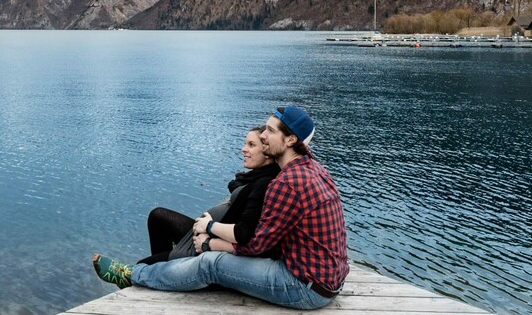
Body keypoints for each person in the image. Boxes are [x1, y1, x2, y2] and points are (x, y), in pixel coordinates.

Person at [93, 105, 348, 311]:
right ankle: (152, 277)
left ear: (291, 139)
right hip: (325, 279)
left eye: (270, 131)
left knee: (211, 264)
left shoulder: (287, 183)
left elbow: (254, 244)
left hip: (302, 287)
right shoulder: (313, 168)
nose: (262, 136)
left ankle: (132, 275)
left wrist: (208, 241)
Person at [139, 125, 280, 265]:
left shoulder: (263, 183)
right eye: (245, 144)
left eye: (251, 145)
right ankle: (163, 270)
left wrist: (209, 228)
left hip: (210, 243)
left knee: (142, 266)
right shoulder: (256, 177)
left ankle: (163, 269)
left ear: (267, 150)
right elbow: (237, 185)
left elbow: (244, 233)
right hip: (208, 234)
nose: (244, 149)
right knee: (157, 217)